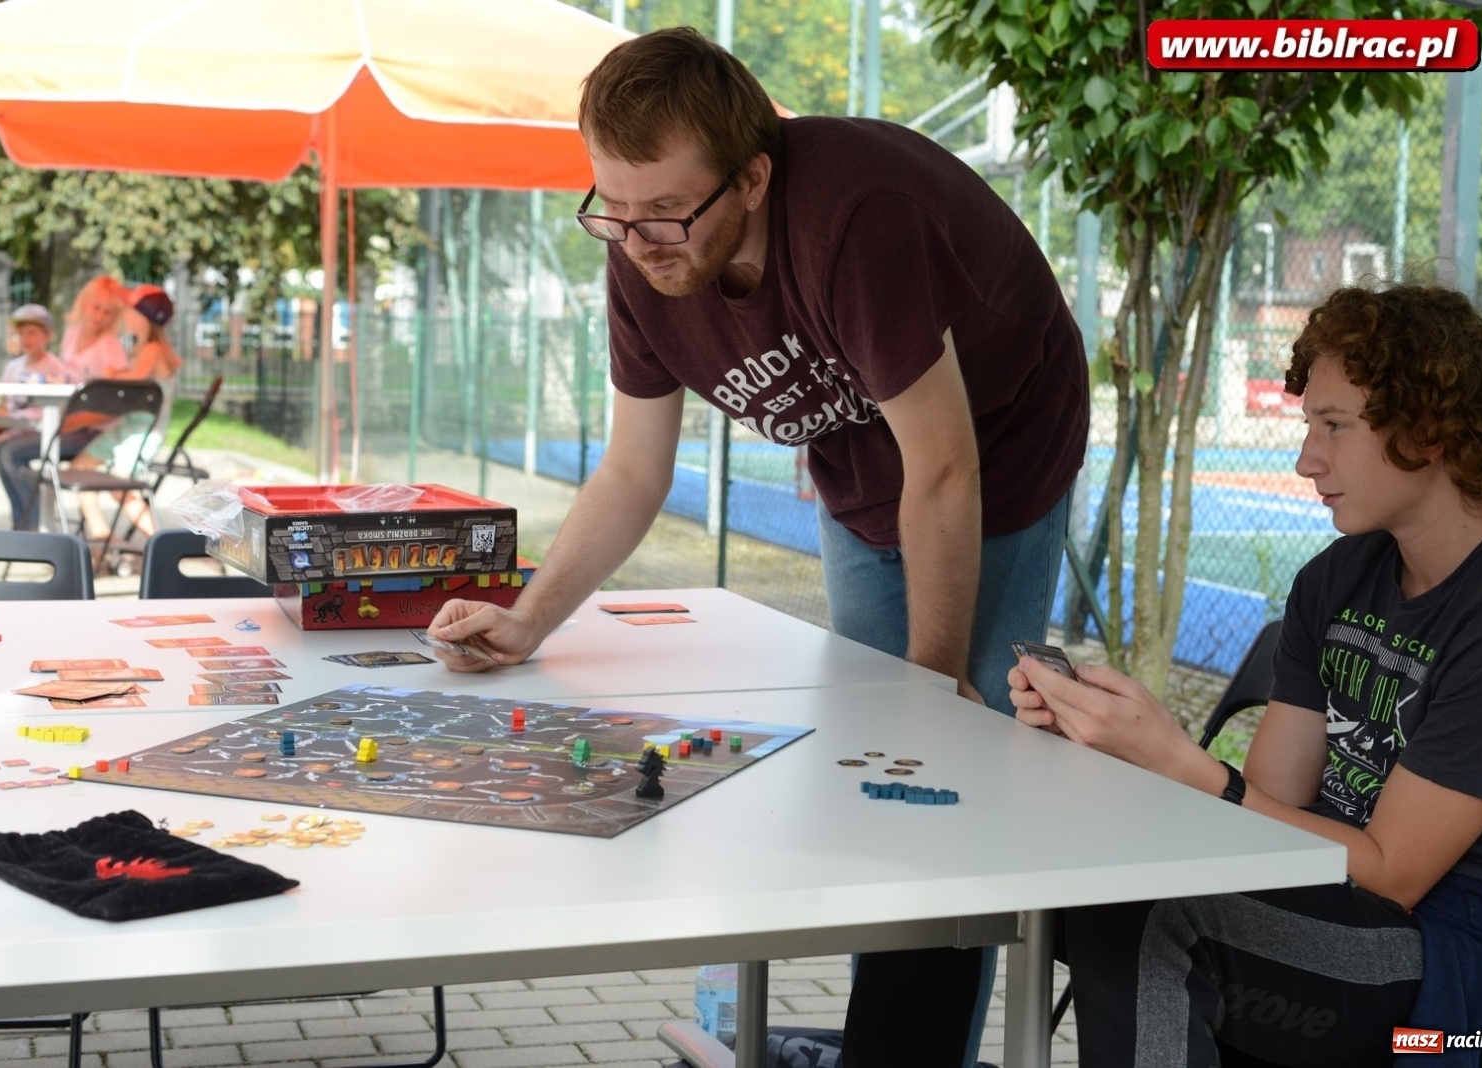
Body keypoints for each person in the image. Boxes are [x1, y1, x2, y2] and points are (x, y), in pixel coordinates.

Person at [427, 28, 1089, 1065]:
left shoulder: (858, 221)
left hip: (995, 451)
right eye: (612, 207)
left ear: (752, 179)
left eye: (664, 209)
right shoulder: (643, 251)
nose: (637, 239)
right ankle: (875, 1036)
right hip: (863, 461)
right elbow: (633, 470)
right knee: (877, 768)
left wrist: (934, 681)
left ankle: (910, 1053)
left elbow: (944, 469)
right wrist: (526, 617)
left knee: (943, 767)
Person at [1001, 284, 1482, 1066]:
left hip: (1459, 981)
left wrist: (1183, 764)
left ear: (1429, 430)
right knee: (1069, 883)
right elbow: (1267, 805)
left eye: (1334, 426)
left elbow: (1393, 875)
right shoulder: (1337, 578)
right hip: (1336, 900)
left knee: (1156, 917)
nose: (1306, 460)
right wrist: (1120, 748)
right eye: (1308, 426)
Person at [0, 275, 130, 529]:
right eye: (96, 308)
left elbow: (115, 405)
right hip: (60, 421)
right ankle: (24, 524)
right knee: (0, 448)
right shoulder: (72, 335)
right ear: (84, 304)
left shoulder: (111, 346)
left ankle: (35, 526)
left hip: (88, 430)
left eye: (108, 312)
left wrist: (73, 421)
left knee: (10, 452)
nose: (100, 316)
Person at [69, 284, 182, 547]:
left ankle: (163, 546)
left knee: (119, 488)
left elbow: (136, 379)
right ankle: (101, 534)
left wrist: (111, 374)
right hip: (127, 427)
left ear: (142, 317)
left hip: (143, 432)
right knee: (80, 467)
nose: (123, 313)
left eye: (129, 309)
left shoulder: (153, 349)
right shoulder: (140, 347)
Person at [0, 304, 75, 528]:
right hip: (7, 424)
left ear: (47, 335)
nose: (25, 339)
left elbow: (52, 412)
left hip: (31, 428)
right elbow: (4, 405)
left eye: (32, 333)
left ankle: (29, 521)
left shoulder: (56, 368)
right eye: (21, 334)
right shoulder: (13, 366)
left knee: (3, 450)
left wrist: (8, 430)